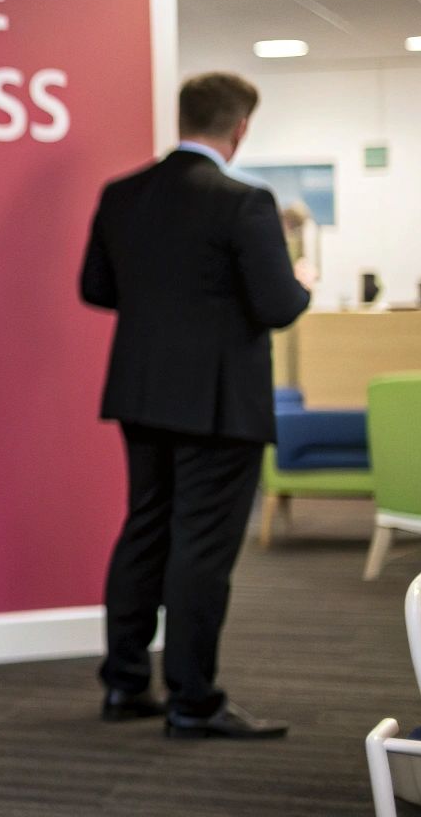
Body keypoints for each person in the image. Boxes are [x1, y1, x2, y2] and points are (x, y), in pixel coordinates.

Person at [79, 71, 312, 739]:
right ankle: (193, 700)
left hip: (140, 390)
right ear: (239, 128)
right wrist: (300, 282)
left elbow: (96, 287)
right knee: (201, 549)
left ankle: (125, 685)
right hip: (218, 401)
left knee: (145, 528)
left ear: (182, 118)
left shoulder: (123, 194)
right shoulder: (243, 201)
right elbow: (276, 306)